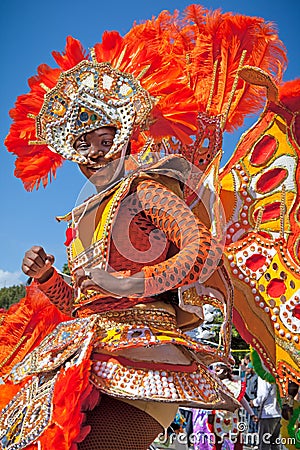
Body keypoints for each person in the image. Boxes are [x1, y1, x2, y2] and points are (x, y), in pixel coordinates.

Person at [0, 45, 238, 450]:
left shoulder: (146, 189)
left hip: (146, 360)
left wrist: (133, 284)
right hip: (89, 352)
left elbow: (199, 248)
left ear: (124, 138)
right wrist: (46, 278)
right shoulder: (83, 219)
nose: (94, 153)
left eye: (104, 138)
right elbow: (80, 303)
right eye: (83, 143)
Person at [250, 377, 282, 450]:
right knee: (275, 444)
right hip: (278, 413)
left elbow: (263, 394)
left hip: (268, 414)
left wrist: (254, 402)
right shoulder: (277, 374)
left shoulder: (263, 376)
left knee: (264, 444)